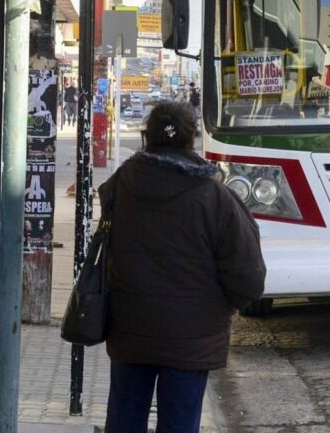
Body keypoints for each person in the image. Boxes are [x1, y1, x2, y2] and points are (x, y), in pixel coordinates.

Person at [99, 101, 266, 433]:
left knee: (124, 419)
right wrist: (234, 303)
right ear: (192, 140)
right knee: (180, 423)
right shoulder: (215, 197)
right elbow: (247, 275)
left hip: (130, 329)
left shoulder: (121, 185)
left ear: (148, 137)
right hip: (192, 338)